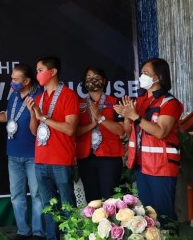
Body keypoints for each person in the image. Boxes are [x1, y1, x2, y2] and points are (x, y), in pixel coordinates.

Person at [113, 58, 183, 229]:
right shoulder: (140, 100)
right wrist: (127, 115)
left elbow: (161, 131)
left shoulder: (170, 102)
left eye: (146, 73)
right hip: (141, 164)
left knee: (164, 215)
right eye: (141, 73)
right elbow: (128, 131)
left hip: (162, 166)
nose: (141, 77)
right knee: (147, 216)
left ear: (157, 77)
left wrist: (136, 116)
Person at [0, 64, 45, 240]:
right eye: (12, 78)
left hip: (33, 155)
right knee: (16, 195)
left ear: (27, 80)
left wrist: (32, 114)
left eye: (15, 79)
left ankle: (38, 232)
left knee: (37, 195)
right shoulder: (14, 96)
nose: (12, 82)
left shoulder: (39, 97)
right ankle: (23, 230)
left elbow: (35, 131)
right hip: (13, 154)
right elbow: (8, 116)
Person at [25, 56, 79, 240]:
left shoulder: (69, 95)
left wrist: (44, 118)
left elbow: (70, 128)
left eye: (40, 70)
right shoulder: (39, 98)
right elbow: (34, 131)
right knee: (49, 207)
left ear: (53, 71)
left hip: (61, 160)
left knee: (67, 204)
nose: (37, 75)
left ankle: (73, 237)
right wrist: (33, 114)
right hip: (41, 160)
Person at [75, 66, 125, 202]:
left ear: (104, 80)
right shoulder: (78, 104)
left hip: (109, 157)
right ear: (84, 82)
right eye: (89, 78)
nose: (92, 80)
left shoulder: (115, 102)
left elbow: (121, 131)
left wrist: (101, 118)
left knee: (110, 200)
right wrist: (91, 125)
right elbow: (74, 131)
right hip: (86, 157)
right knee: (92, 201)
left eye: (96, 77)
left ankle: (112, 224)